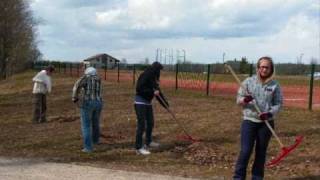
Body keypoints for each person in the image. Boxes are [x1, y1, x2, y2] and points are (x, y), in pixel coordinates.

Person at [233, 56, 283, 180]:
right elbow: (238, 100)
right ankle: (238, 177)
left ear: (271, 69)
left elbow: (278, 103)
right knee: (245, 151)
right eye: (262, 67)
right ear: (258, 68)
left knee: (261, 152)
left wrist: (269, 114)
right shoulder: (248, 82)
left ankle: (257, 177)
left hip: (266, 124)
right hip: (249, 121)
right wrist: (245, 99)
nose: (264, 69)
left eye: (267, 67)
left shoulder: (275, 85)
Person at [134, 61, 169, 155]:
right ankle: (138, 148)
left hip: (148, 103)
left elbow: (158, 93)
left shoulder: (154, 78)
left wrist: (166, 105)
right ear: (155, 69)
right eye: (159, 70)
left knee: (150, 123)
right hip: (140, 102)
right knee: (141, 125)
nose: (160, 72)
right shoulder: (145, 75)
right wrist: (151, 92)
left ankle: (148, 142)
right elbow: (139, 88)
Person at [72, 67, 103, 153]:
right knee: (96, 123)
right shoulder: (99, 79)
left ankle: (88, 147)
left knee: (86, 125)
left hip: (88, 103)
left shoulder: (85, 78)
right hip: (99, 102)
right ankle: (96, 141)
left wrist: (74, 98)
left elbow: (76, 87)